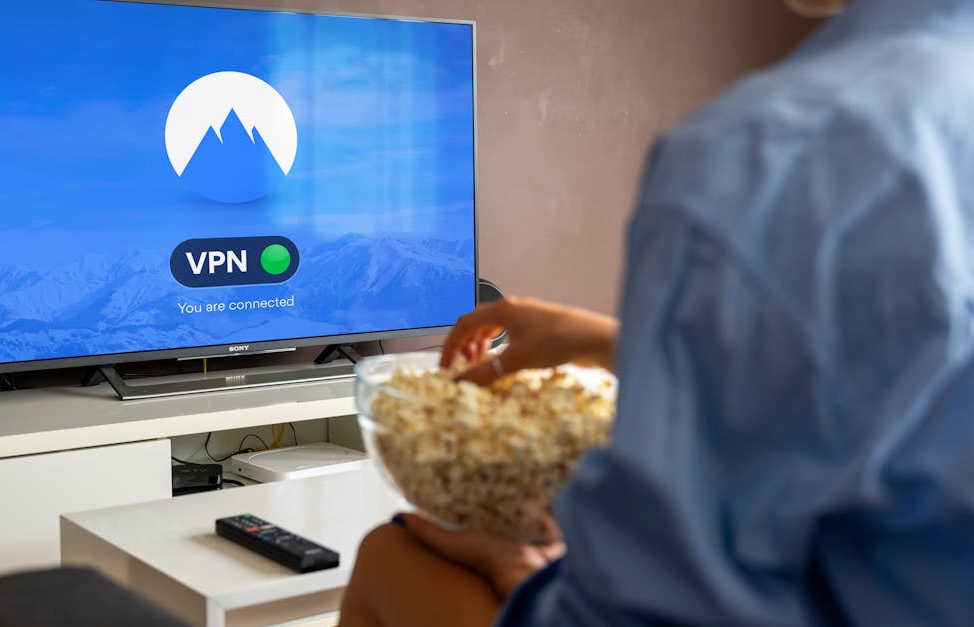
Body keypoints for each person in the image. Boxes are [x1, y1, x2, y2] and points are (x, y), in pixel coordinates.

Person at [339, 0, 974, 624]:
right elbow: (897, 377)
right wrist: (609, 343)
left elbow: (659, 607)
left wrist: (535, 576)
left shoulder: (777, 150)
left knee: (386, 557)